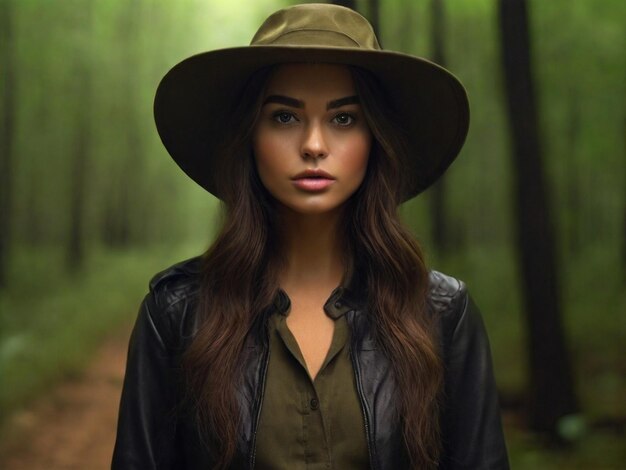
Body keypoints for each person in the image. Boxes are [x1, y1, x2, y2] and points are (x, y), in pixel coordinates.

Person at [112, 3, 509, 469]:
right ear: (249, 135)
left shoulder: (441, 314)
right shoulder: (176, 314)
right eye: (284, 117)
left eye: (343, 119)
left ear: (374, 139)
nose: (314, 145)